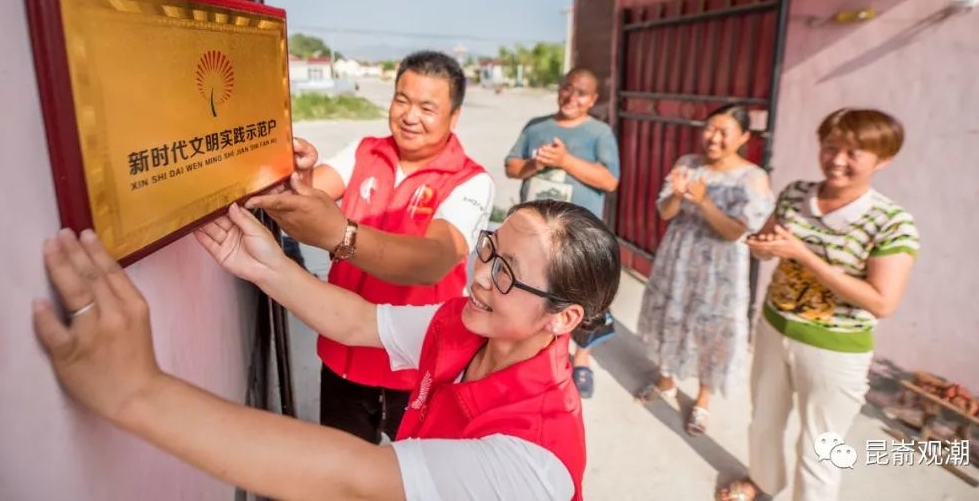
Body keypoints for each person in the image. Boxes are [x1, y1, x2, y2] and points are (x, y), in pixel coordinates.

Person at [32, 199, 622, 501]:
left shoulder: (533, 457)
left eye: (507, 276)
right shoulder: (472, 324)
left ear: (565, 318)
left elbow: (354, 477)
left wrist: (139, 393)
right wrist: (264, 267)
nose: (479, 277)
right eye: (488, 251)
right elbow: (363, 322)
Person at [249, 50, 495, 442]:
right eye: (402, 100)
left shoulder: (470, 181)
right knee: (344, 468)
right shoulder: (365, 151)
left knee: (408, 478)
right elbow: (309, 194)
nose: (410, 116)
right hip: (344, 349)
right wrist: (303, 173)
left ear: (454, 115)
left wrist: (340, 236)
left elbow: (434, 260)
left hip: (416, 365)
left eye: (428, 107)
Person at [718, 108, 919, 501]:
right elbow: (764, 245)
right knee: (764, 422)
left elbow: (882, 302)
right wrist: (763, 247)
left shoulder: (892, 222)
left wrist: (804, 254)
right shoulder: (795, 193)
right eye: (830, 147)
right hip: (774, 328)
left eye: (853, 152)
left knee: (821, 449)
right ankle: (762, 483)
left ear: (883, 159)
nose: (836, 160)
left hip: (835, 350)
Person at [635, 104, 773, 436]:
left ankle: (702, 400)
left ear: (743, 137)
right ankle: (666, 380)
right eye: (710, 128)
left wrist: (703, 202)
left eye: (724, 131)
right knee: (671, 316)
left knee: (711, 332)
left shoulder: (752, 178)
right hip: (678, 258)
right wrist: (678, 196)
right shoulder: (687, 164)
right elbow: (665, 211)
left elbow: (735, 231)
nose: (714, 137)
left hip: (719, 269)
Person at [505, 67, 620, 398]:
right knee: (535, 294)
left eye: (581, 93)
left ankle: (582, 362)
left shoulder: (599, 133)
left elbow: (610, 181)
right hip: (533, 237)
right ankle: (538, 358)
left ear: (593, 100)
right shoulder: (536, 127)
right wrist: (536, 165)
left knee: (582, 302)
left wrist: (565, 160)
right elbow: (511, 167)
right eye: (567, 89)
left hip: (577, 238)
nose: (572, 97)